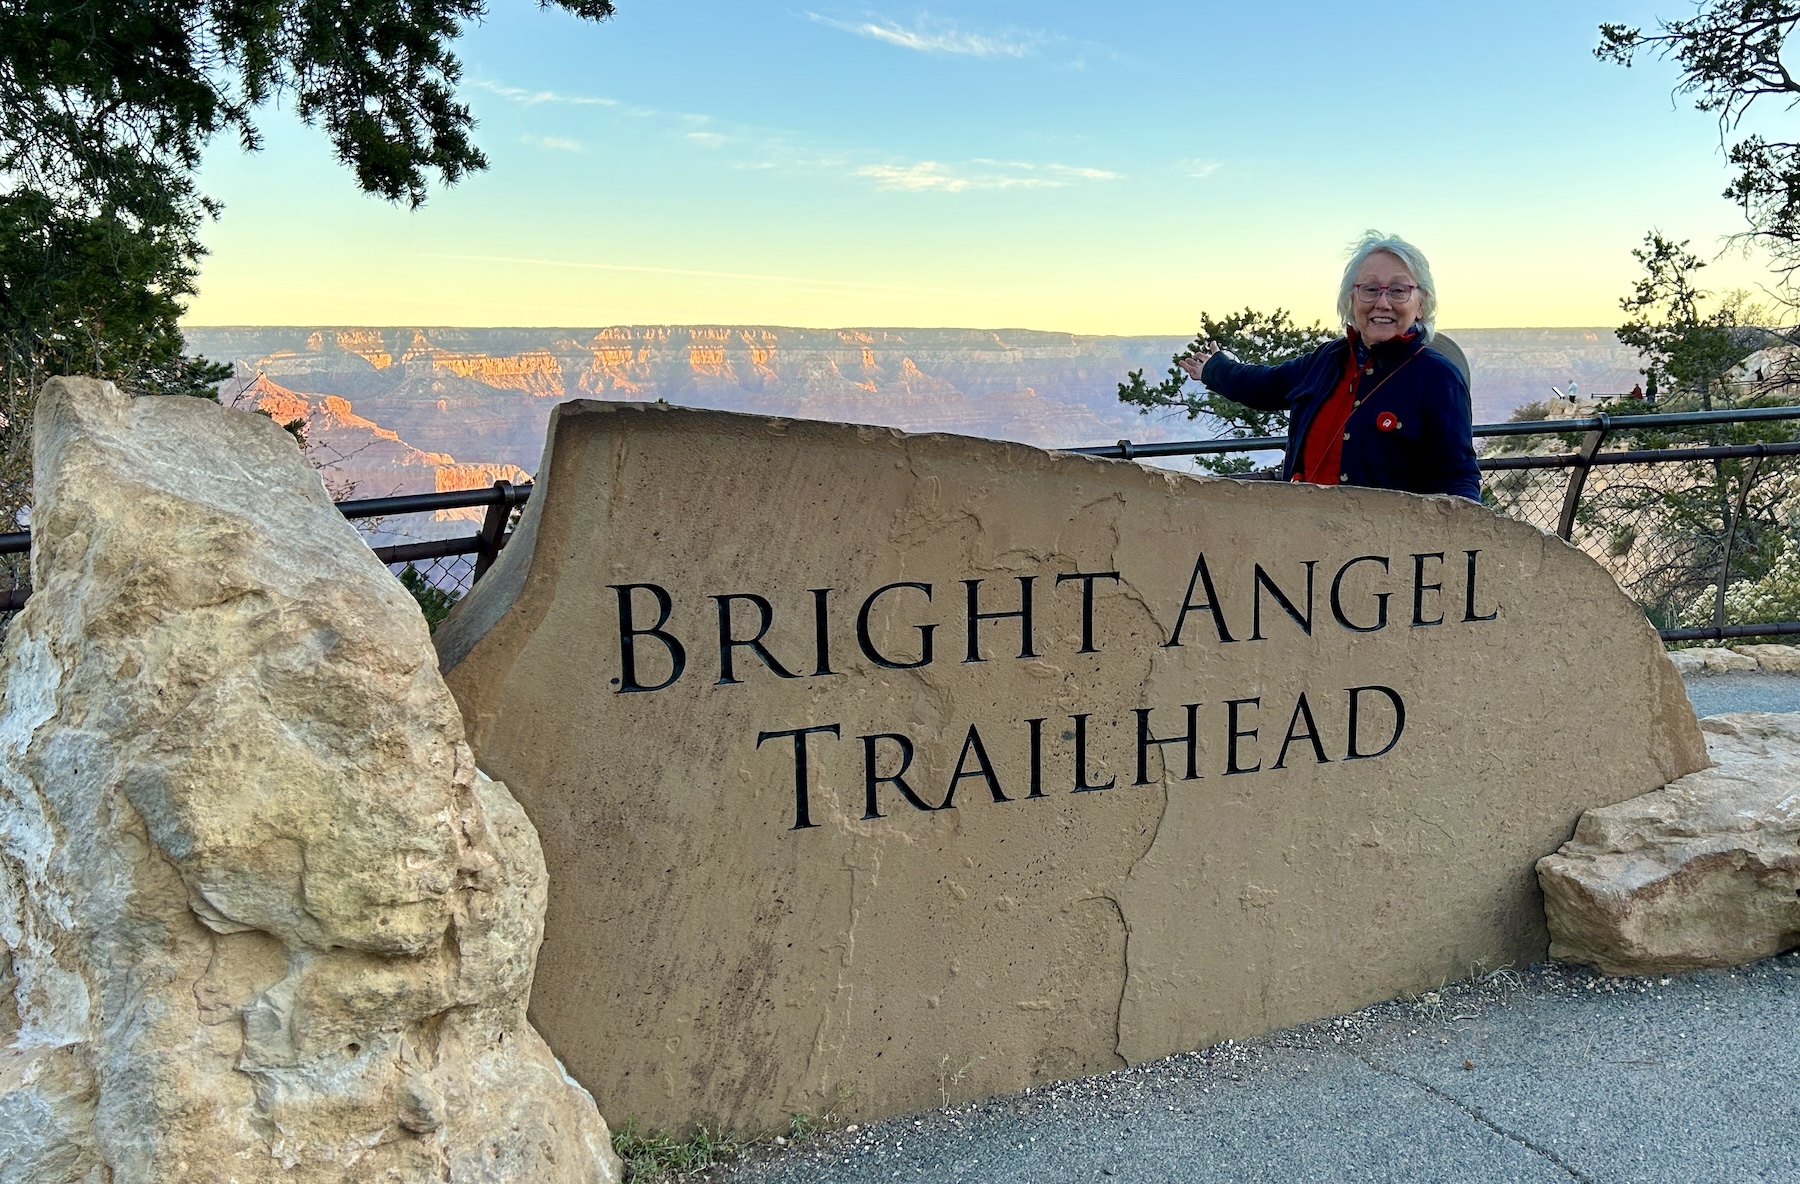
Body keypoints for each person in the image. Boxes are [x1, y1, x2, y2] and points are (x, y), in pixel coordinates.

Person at [1177, 232, 1480, 501]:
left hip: (1383, 555)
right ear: (1351, 299)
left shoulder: (1437, 377)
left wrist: (1465, 552)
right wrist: (1215, 370)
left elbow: (1457, 476)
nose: (1383, 303)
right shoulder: (1327, 360)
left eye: (1399, 291)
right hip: (1305, 543)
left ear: (1421, 304)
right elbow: (1266, 385)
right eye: (1370, 289)